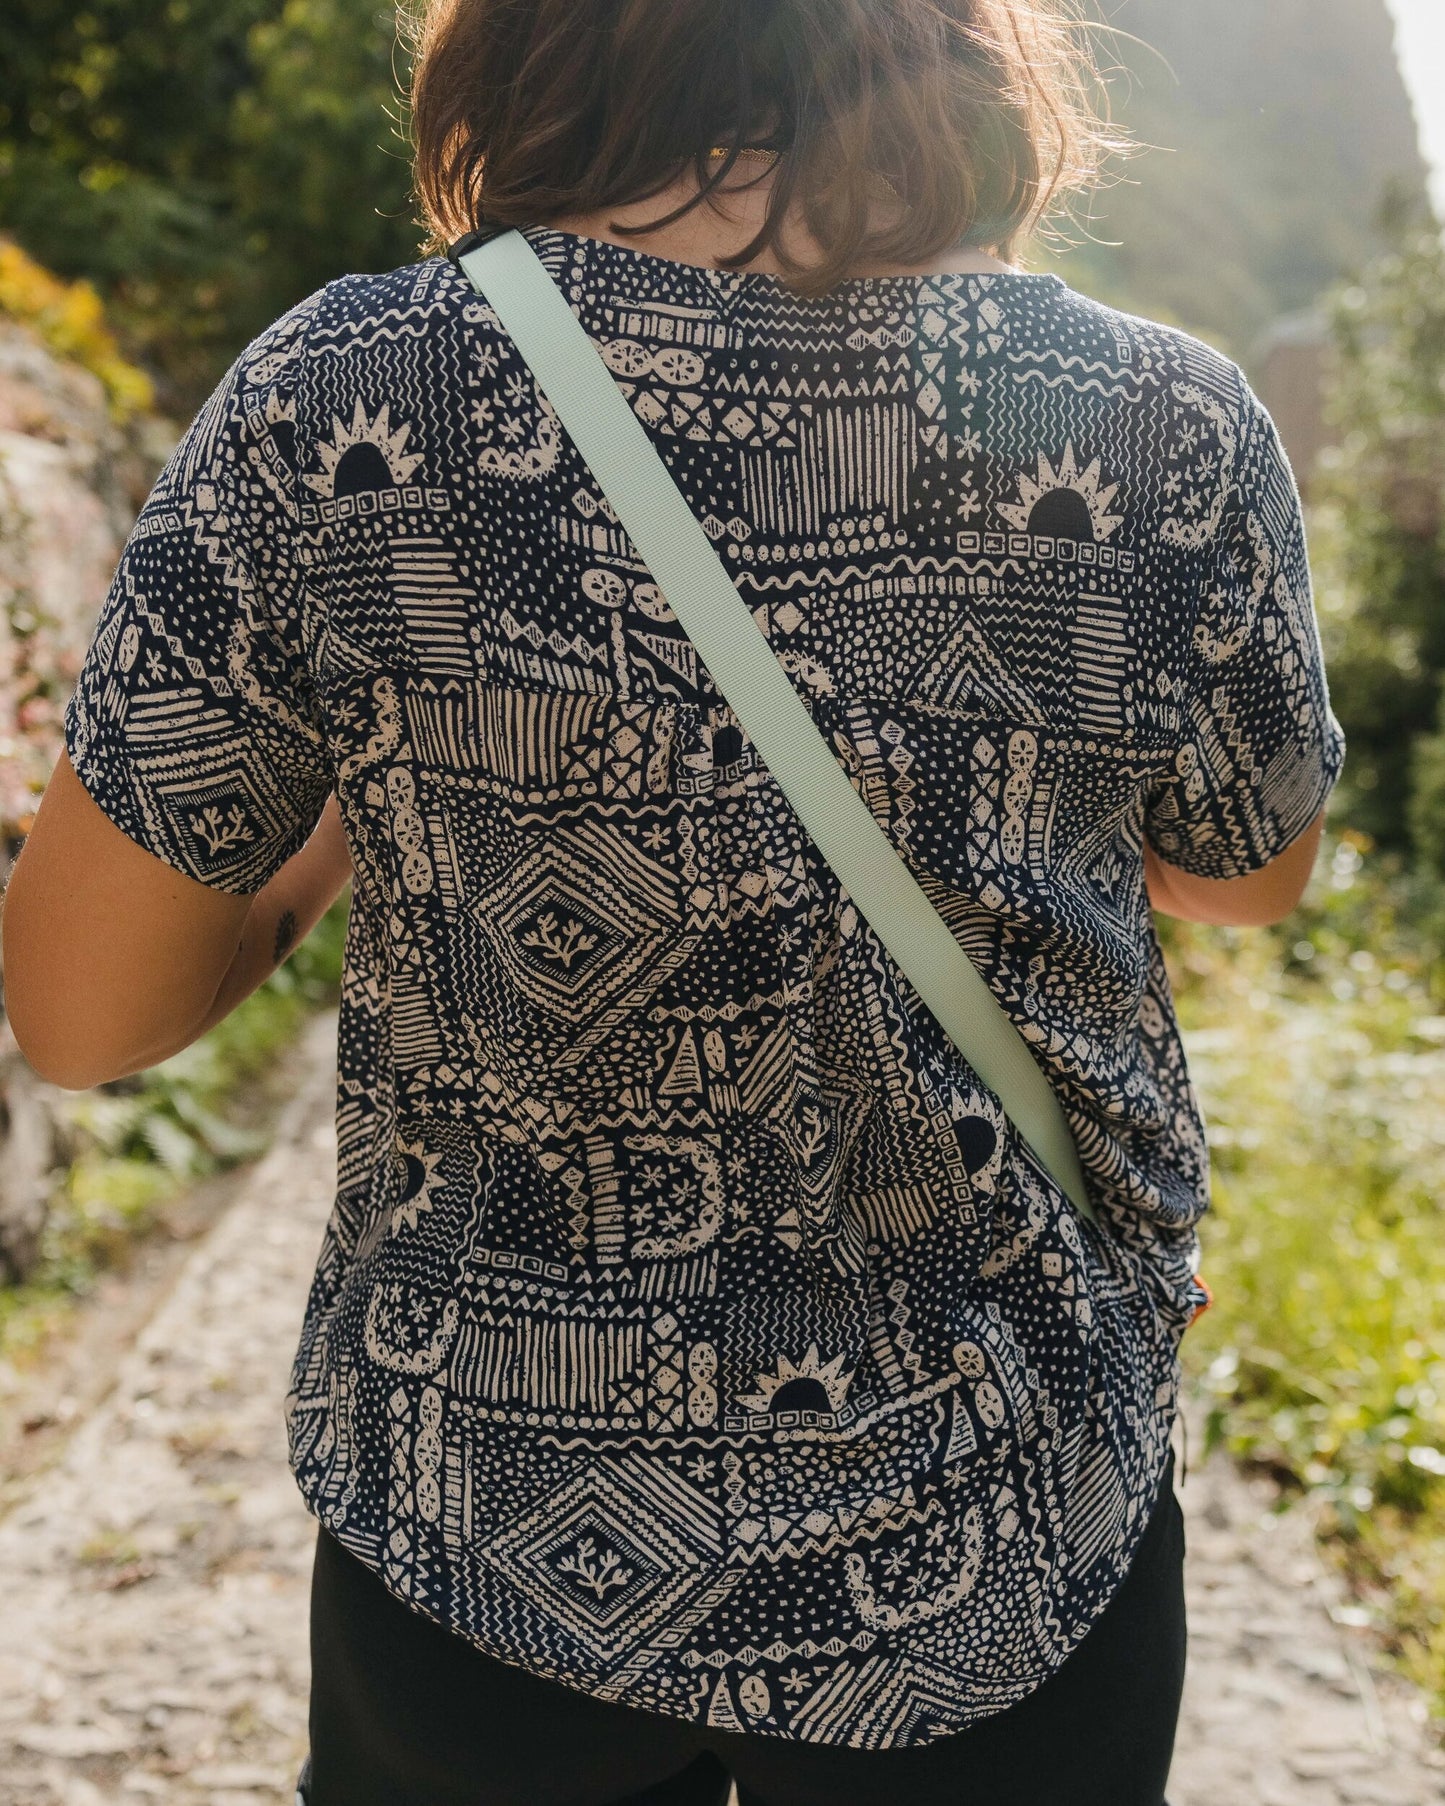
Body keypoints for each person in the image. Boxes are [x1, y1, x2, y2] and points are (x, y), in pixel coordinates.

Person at [2, 0, 1347, 1801]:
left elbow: (84, 1016)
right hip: (1008, 1515)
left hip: (487, 1522)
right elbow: (1247, 876)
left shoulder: (347, 398)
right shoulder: (1165, 423)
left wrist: (345, 812)